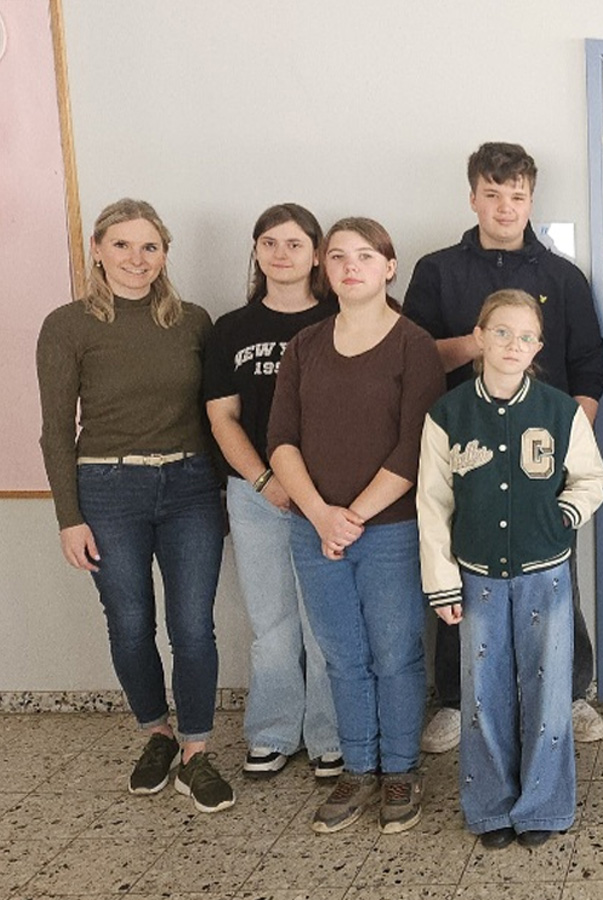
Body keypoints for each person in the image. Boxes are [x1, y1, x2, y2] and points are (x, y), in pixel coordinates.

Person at [405, 141, 603, 752]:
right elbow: (414, 359)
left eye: (516, 195)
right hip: (467, 450)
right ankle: (455, 698)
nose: (504, 206)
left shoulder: (562, 276)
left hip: (540, 459)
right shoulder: (437, 271)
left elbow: (588, 368)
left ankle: (569, 694)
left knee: (555, 577)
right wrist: (478, 343)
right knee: (464, 574)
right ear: (472, 197)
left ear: (530, 199)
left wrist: (569, 441)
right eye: (491, 194)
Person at [36, 198, 233, 812]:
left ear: (164, 254)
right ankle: (157, 734)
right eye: (121, 245)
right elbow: (53, 430)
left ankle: (197, 752)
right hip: (108, 489)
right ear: (97, 249)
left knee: (193, 627)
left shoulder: (195, 321)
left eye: (149, 246)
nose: (136, 258)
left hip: (191, 486)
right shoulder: (68, 325)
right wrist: (69, 516)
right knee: (129, 624)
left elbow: (219, 413)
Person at [268, 217, 445, 834]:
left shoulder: (412, 345)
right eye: (337, 256)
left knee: (395, 653)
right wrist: (320, 515)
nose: (350, 267)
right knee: (342, 656)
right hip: (315, 530)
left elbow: (414, 448)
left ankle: (399, 770)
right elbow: (280, 441)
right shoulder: (306, 346)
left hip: (389, 530)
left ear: (388, 267)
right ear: (323, 268)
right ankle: (357, 769)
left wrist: (355, 517)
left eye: (365, 256)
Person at [418, 289, 603, 850]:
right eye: (501, 332)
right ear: (479, 337)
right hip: (475, 577)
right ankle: (490, 807)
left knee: (549, 692)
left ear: (538, 348)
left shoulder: (559, 410)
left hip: (544, 575)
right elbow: (433, 504)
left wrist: (563, 517)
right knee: (483, 693)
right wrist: (441, 581)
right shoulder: (448, 415)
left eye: (526, 337)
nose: (513, 345)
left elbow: (591, 479)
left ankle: (544, 807)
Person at [204, 203, 342, 783]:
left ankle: (330, 735)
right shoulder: (231, 328)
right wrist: (265, 481)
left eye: (294, 243)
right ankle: (273, 732)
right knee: (273, 622)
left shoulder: (344, 317)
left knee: (325, 621)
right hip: (254, 493)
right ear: (257, 252)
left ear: (315, 253)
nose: (282, 254)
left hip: (330, 498)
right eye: (269, 243)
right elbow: (222, 417)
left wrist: (306, 492)